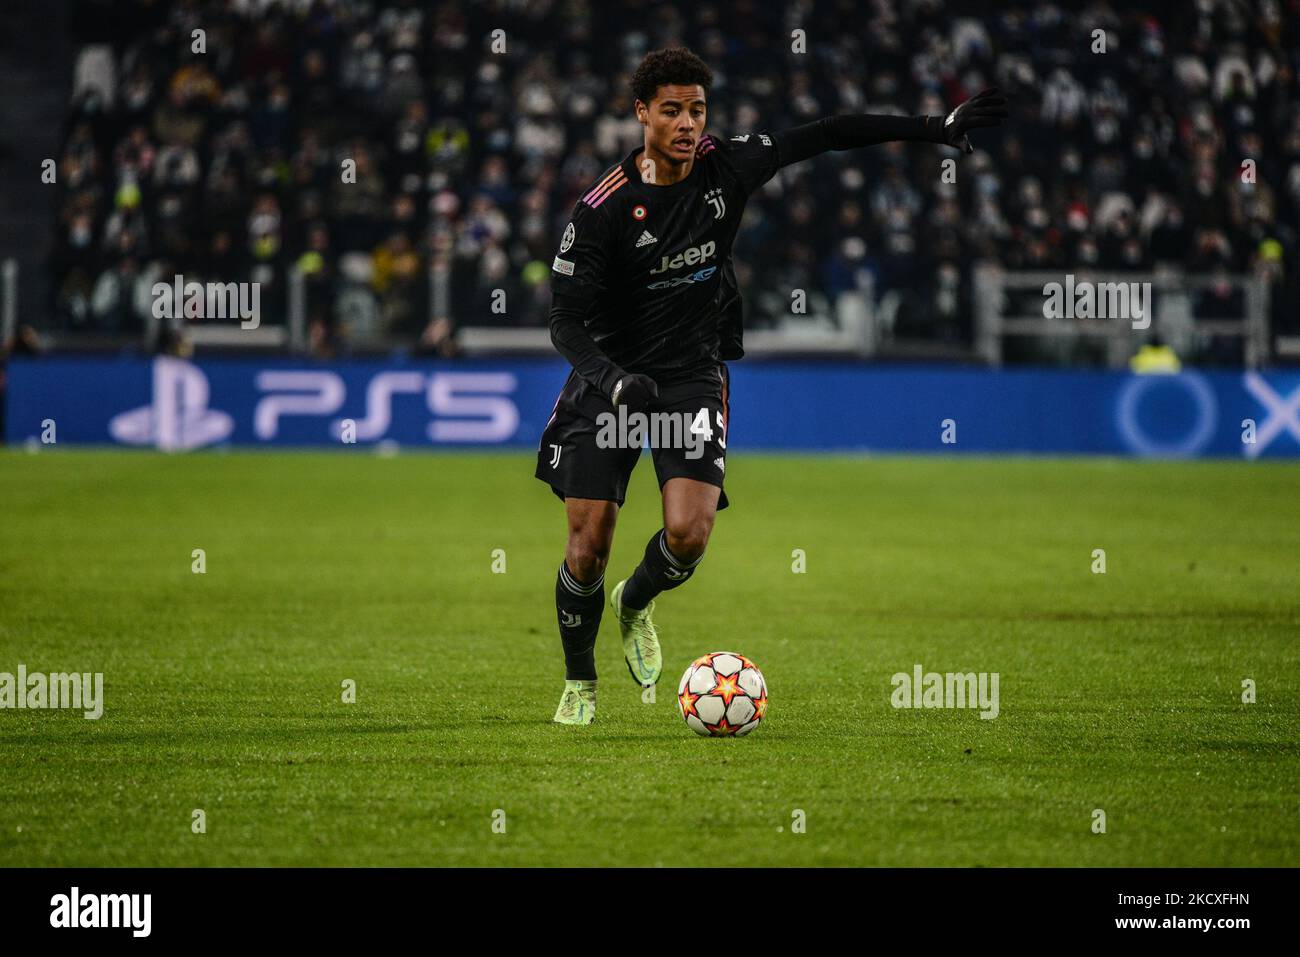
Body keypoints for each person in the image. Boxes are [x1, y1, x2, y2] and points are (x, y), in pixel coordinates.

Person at [536, 47, 1006, 724]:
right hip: (607, 380)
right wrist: (612, 382)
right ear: (641, 114)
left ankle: (635, 601)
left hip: (690, 373)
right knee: (587, 547)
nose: (687, 123)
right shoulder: (604, 209)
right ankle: (580, 679)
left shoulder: (728, 164)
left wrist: (935, 125)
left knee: (689, 534)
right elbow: (563, 322)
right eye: (671, 110)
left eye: (696, 109)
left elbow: (828, 133)